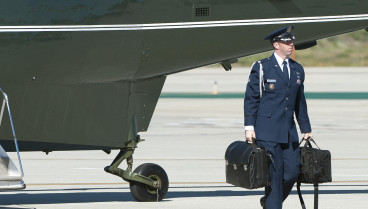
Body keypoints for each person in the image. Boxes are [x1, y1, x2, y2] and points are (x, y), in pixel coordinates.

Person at [243, 26, 313, 209]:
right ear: (276, 45)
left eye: (291, 42)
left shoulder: (297, 69)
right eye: (287, 42)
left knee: (292, 171)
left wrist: (305, 127)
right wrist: (249, 127)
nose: (291, 45)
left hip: (289, 131)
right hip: (267, 130)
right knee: (274, 175)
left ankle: (269, 202)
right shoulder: (262, 67)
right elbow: (251, 98)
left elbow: (300, 101)